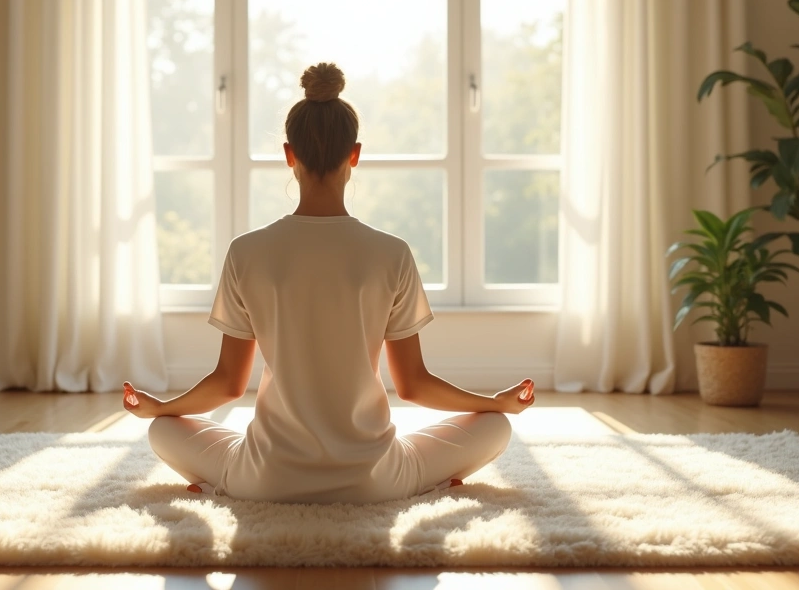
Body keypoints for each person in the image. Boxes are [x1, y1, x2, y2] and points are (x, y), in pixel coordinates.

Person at [122, 62, 534, 504]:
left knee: (162, 430)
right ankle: (424, 482)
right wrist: (495, 403)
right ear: (354, 155)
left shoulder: (246, 252)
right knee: (496, 427)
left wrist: (162, 408)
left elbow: (228, 384)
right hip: (376, 480)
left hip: (265, 479)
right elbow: (414, 384)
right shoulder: (392, 253)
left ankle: (220, 483)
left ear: (289, 154)